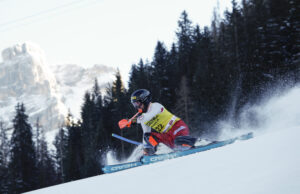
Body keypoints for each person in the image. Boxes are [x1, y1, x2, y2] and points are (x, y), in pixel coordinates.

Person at [130, 89, 196, 155]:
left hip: (177, 127)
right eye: (134, 105)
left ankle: (196, 142)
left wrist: (132, 121)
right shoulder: (143, 118)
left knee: (178, 141)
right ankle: (151, 154)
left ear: (145, 100)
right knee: (148, 136)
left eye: (137, 103)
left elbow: (148, 116)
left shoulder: (156, 106)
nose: (137, 107)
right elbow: (145, 134)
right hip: (166, 135)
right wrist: (146, 149)